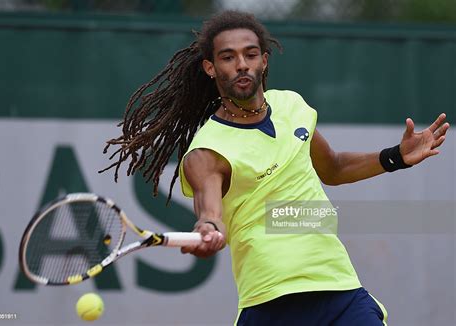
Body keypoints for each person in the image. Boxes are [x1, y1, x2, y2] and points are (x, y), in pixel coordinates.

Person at [101, 10, 450, 326]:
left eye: (250, 54)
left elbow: (333, 168)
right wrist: (208, 228)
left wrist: (396, 157)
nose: (241, 64)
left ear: (264, 61)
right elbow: (210, 211)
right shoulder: (206, 152)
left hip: (340, 289)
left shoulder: (292, 105)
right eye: (228, 57)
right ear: (210, 68)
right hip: (271, 301)